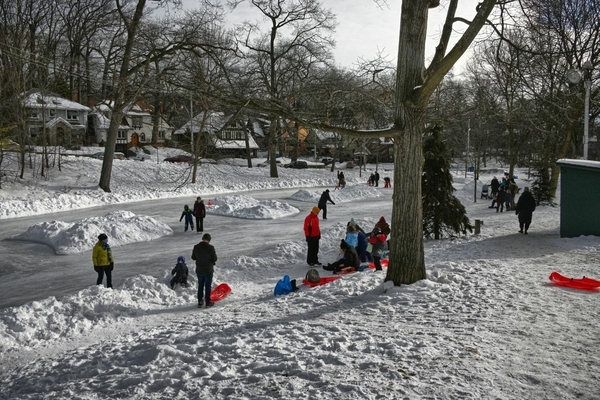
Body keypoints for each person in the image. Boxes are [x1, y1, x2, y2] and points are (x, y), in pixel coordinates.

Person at [192, 233, 218, 308]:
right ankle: (208, 302)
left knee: (200, 285)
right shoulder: (211, 248)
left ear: (202, 238)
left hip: (199, 269)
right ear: (209, 240)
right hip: (208, 270)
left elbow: (193, 257)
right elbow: (215, 259)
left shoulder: (196, 247)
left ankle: (200, 301)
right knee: (207, 286)